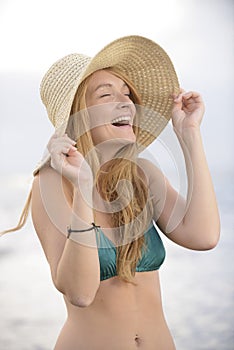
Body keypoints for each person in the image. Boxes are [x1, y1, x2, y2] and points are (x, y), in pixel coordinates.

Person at [2, 35, 220, 349]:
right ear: (79, 113)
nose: (126, 102)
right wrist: (83, 187)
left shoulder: (142, 174)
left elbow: (204, 236)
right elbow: (80, 292)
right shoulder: (51, 182)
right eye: (106, 94)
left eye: (127, 93)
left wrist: (189, 136)